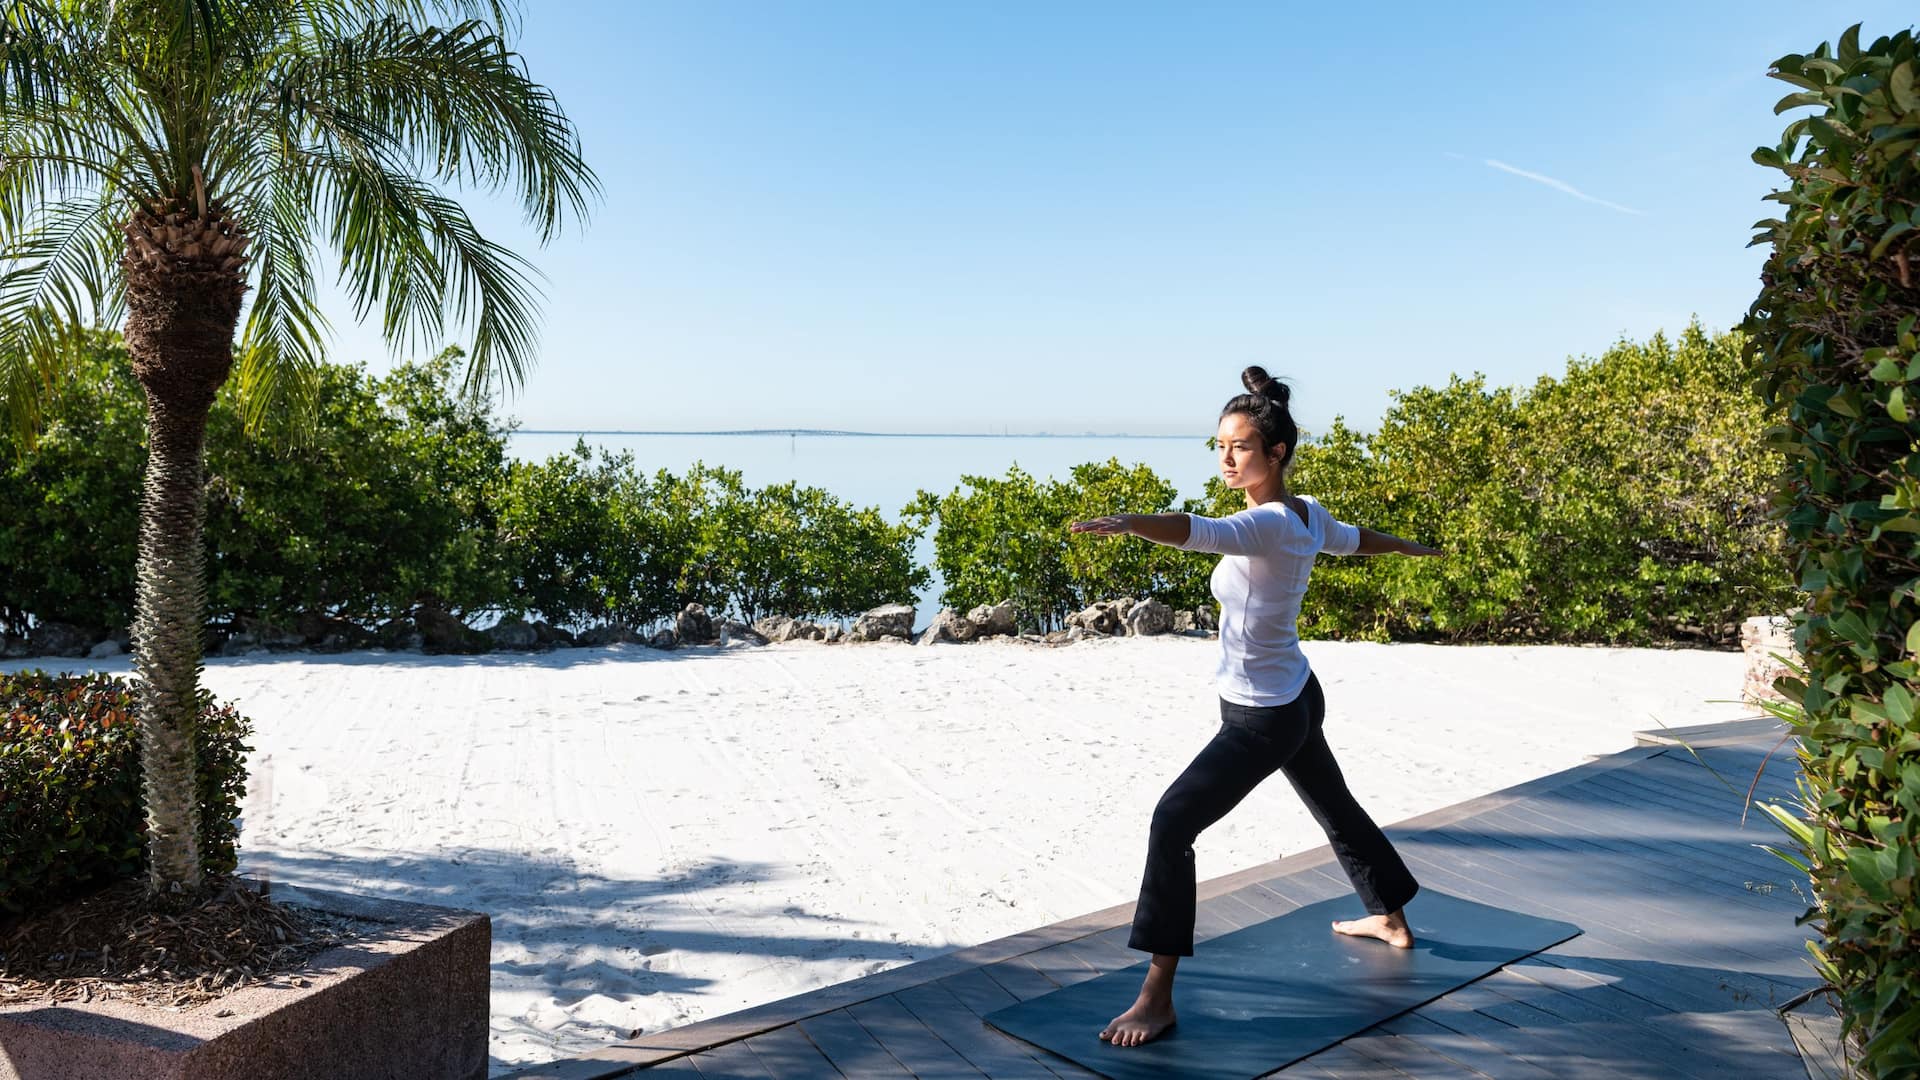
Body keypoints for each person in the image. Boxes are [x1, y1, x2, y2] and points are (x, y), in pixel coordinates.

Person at [1067, 366, 1443, 1049]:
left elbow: (1198, 531)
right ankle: (1388, 917)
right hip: (1296, 691)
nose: (1226, 458)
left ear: (1276, 454)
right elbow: (1359, 539)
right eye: (1219, 445)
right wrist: (1411, 546)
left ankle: (1156, 995)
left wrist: (1130, 524)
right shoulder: (1307, 515)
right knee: (1333, 804)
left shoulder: (1268, 522)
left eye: (1240, 445)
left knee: (1172, 821)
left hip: (1263, 715)